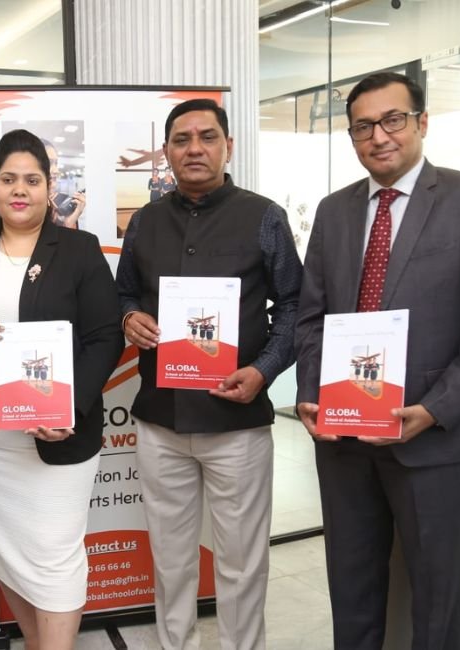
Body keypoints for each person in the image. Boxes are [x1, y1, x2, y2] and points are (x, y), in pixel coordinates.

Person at [294, 72, 460, 650]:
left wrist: (435, 409)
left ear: (421, 122)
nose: (379, 136)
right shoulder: (334, 211)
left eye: (392, 120)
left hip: (432, 440)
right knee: (352, 592)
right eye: (363, 126)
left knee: (436, 602)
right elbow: (312, 317)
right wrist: (310, 393)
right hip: (343, 439)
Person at [116, 98, 301, 650]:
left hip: (237, 421)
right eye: (182, 139)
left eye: (207, 137)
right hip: (160, 421)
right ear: (167, 151)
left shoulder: (264, 217)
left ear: (228, 146)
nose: (194, 149)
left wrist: (263, 371)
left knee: (241, 561)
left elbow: (295, 306)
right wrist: (129, 317)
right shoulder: (145, 221)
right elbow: (124, 292)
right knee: (171, 559)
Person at [0, 129, 123, 650]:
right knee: (7, 553)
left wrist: (70, 409)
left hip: (59, 435)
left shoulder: (79, 250)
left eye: (32, 180)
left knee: (56, 558)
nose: (20, 190)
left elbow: (105, 337)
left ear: (49, 186)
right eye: (9, 179)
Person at [42, 138, 86, 229]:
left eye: (56, 164)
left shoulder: (64, 201)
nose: (56, 171)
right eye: (49, 163)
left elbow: (71, 236)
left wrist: (68, 224)